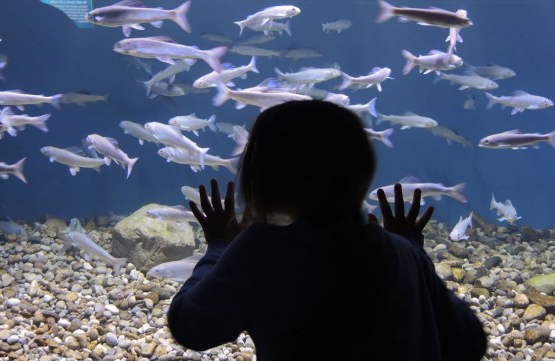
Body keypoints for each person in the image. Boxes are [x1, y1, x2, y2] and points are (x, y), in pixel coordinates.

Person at [167, 100, 487, 361]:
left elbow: (192, 327)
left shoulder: (260, 249)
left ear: (260, 181)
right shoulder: (398, 253)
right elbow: (469, 341)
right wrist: (413, 250)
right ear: (363, 172)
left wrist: (219, 247)